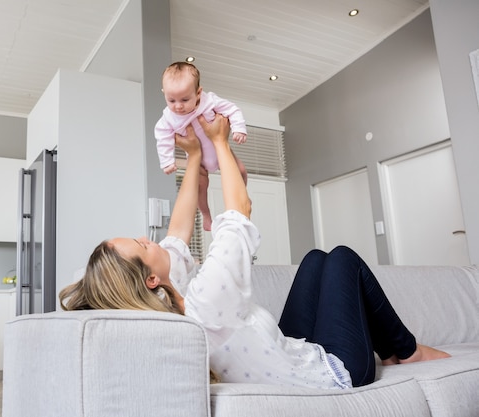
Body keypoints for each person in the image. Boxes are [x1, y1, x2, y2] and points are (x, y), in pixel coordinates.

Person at [60, 114, 450, 389]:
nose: (153, 240)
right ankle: (406, 350)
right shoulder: (204, 305)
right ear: (150, 278)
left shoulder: (171, 300)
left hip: (294, 349)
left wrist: (193, 155)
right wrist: (218, 141)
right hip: (336, 372)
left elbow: (178, 230)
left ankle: (395, 348)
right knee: (343, 257)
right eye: (144, 245)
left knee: (316, 259)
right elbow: (238, 213)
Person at [154, 61, 248, 231]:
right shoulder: (168, 118)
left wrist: (238, 128)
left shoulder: (209, 101)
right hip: (198, 162)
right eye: (171, 100)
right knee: (199, 189)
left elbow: (232, 109)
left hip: (221, 151)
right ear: (164, 95)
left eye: (184, 99)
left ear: (198, 93)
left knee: (241, 171)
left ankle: (243, 197)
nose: (178, 106)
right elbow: (162, 137)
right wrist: (167, 161)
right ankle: (206, 216)